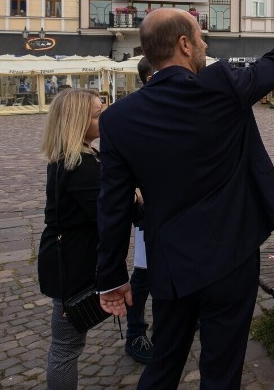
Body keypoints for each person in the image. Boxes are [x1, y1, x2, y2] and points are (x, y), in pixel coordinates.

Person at [96, 4, 274, 389]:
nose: (205, 44)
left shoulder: (117, 119)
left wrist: (110, 278)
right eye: (200, 37)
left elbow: (112, 205)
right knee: (221, 370)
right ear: (184, 44)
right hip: (231, 256)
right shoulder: (222, 85)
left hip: (171, 263)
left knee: (163, 365)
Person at [37, 89, 104, 389]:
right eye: (97, 114)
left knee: (67, 345)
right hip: (70, 264)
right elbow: (107, 213)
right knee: (66, 347)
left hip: (67, 258)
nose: (103, 117)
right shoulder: (78, 163)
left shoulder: (77, 155)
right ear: (78, 122)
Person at [124, 55, 154, 364]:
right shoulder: (134, 113)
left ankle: (175, 321)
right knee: (144, 274)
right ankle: (135, 333)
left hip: (177, 209)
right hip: (148, 210)